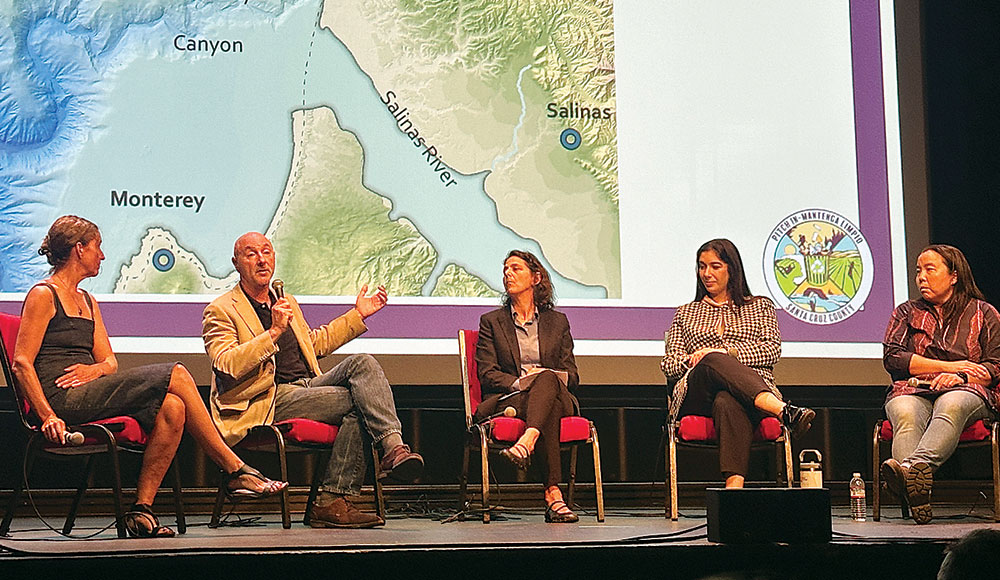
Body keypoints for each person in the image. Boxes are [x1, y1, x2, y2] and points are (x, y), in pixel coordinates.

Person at [11, 216, 287, 538]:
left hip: (91, 390)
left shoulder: (88, 301)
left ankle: (142, 510)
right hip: (62, 399)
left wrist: (94, 369)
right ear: (79, 249)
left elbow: (110, 362)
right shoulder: (44, 295)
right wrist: (47, 415)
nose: (102, 256)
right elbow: (21, 363)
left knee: (174, 407)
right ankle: (233, 468)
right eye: (98, 247)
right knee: (178, 374)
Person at [202, 232, 423, 529]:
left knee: (363, 363)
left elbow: (313, 344)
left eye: (267, 251)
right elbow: (225, 364)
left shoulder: (285, 300)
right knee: (360, 402)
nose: (261, 259)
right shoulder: (221, 309)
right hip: (266, 400)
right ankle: (333, 499)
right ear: (236, 263)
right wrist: (274, 332)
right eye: (251, 253)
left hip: (307, 388)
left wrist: (357, 314)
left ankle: (393, 451)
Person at [661, 239, 815, 488]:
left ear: (732, 269)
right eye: (702, 267)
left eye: (715, 266)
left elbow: (771, 350)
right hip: (698, 393)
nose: (706, 274)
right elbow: (669, 364)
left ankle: (734, 491)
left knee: (727, 400)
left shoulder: (760, 306)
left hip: (748, 394)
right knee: (712, 360)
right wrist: (698, 359)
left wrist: (726, 352)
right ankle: (783, 411)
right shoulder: (686, 312)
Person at [881, 244, 1000, 524]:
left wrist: (960, 376)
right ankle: (916, 484)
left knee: (952, 403)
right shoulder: (906, 312)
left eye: (930, 270)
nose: (921, 277)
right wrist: (949, 367)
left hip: (967, 389)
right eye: (918, 271)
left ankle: (907, 470)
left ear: (954, 276)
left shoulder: (984, 313)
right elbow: (894, 358)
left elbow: (996, 365)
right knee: (906, 412)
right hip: (914, 387)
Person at [475, 250, 581, 523]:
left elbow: (572, 374)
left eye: (515, 269)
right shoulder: (492, 322)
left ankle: (528, 439)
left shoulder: (557, 322)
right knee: (549, 405)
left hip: (553, 393)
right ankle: (553, 495)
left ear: (536, 278)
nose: (508, 274)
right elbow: (487, 374)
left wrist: (544, 377)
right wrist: (519, 382)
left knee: (546, 380)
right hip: (511, 398)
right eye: (505, 270)